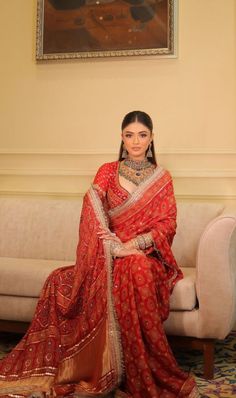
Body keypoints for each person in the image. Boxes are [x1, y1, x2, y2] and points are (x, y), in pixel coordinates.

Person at [0, 111, 199, 398]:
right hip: (108, 256)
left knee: (138, 269)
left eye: (142, 135)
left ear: (152, 138)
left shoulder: (162, 178)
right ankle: (94, 365)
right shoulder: (107, 171)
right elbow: (92, 207)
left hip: (145, 256)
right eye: (129, 135)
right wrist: (114, 246)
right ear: (121, 137)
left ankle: (144, 369)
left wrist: (134, 246)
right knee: (60, 280)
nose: (136, 141)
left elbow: (168, 223)